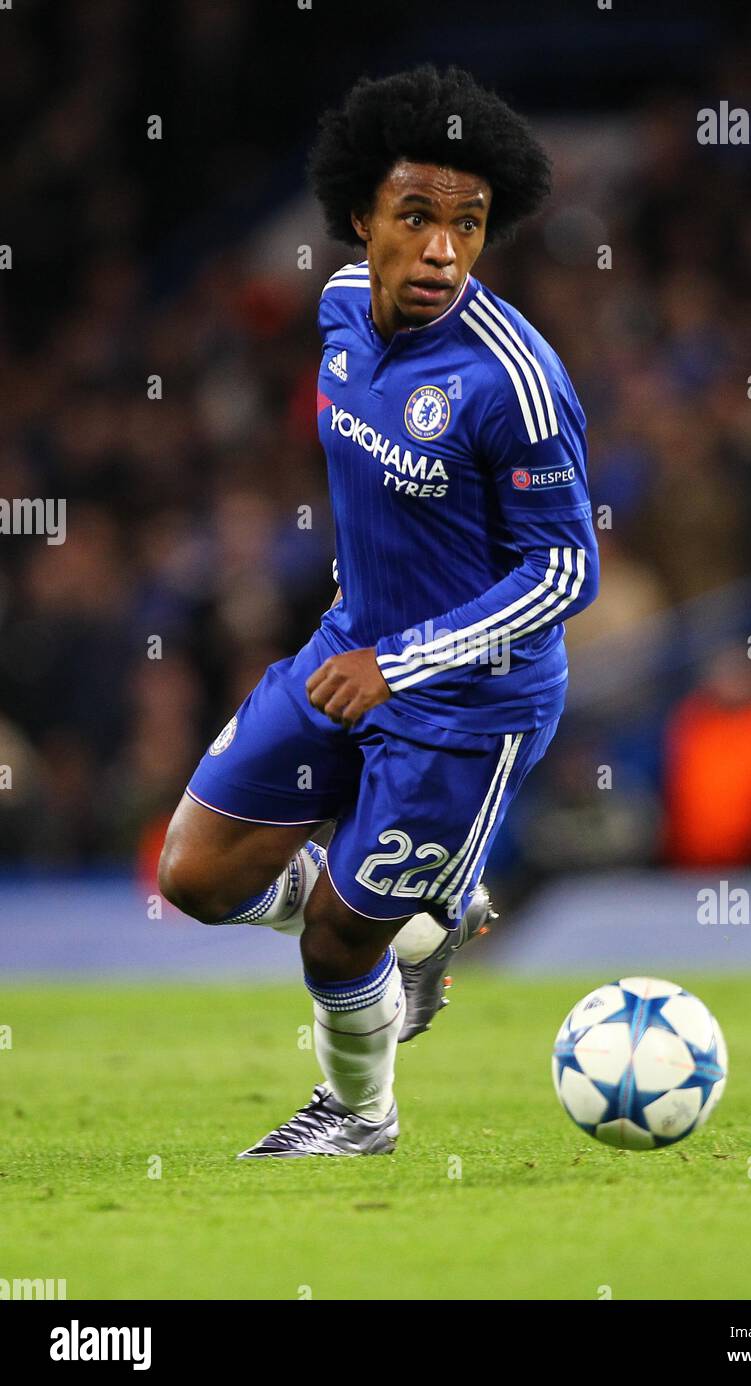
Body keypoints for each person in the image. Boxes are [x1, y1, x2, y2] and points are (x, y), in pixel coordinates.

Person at [158, 64, 599, 1158]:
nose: (445, 250)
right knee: (196, 877)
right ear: (362, 218)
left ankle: (359, 1114)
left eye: (470, 223)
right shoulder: (341, 310)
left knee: (336, 943)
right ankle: (422, 911)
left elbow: (564, 574)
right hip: (350, 648)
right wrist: (371, 643)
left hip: (468, 703)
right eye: (417, 218)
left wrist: (404, 666)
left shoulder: (517, 383)